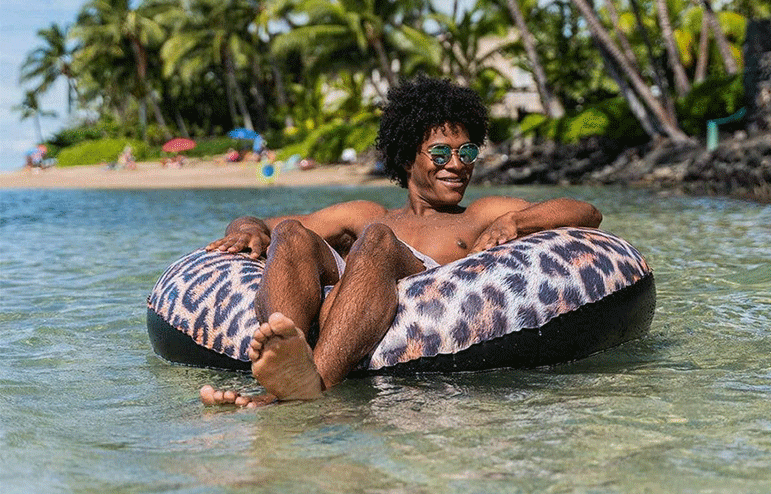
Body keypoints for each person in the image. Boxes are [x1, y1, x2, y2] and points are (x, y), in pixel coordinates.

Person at [200, 76, 602, 408]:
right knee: (290, 233)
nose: (458, 164)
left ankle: (308, 386)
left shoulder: (480, 213)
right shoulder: (366, 213)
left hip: (421, 286)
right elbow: (265, 223)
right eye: (441, 152)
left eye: (468, 151)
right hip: (350, 287)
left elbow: (585, 212)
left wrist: (517, 219)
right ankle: (288, 354)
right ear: (409, 157)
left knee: (377, 240)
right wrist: (247, 229)